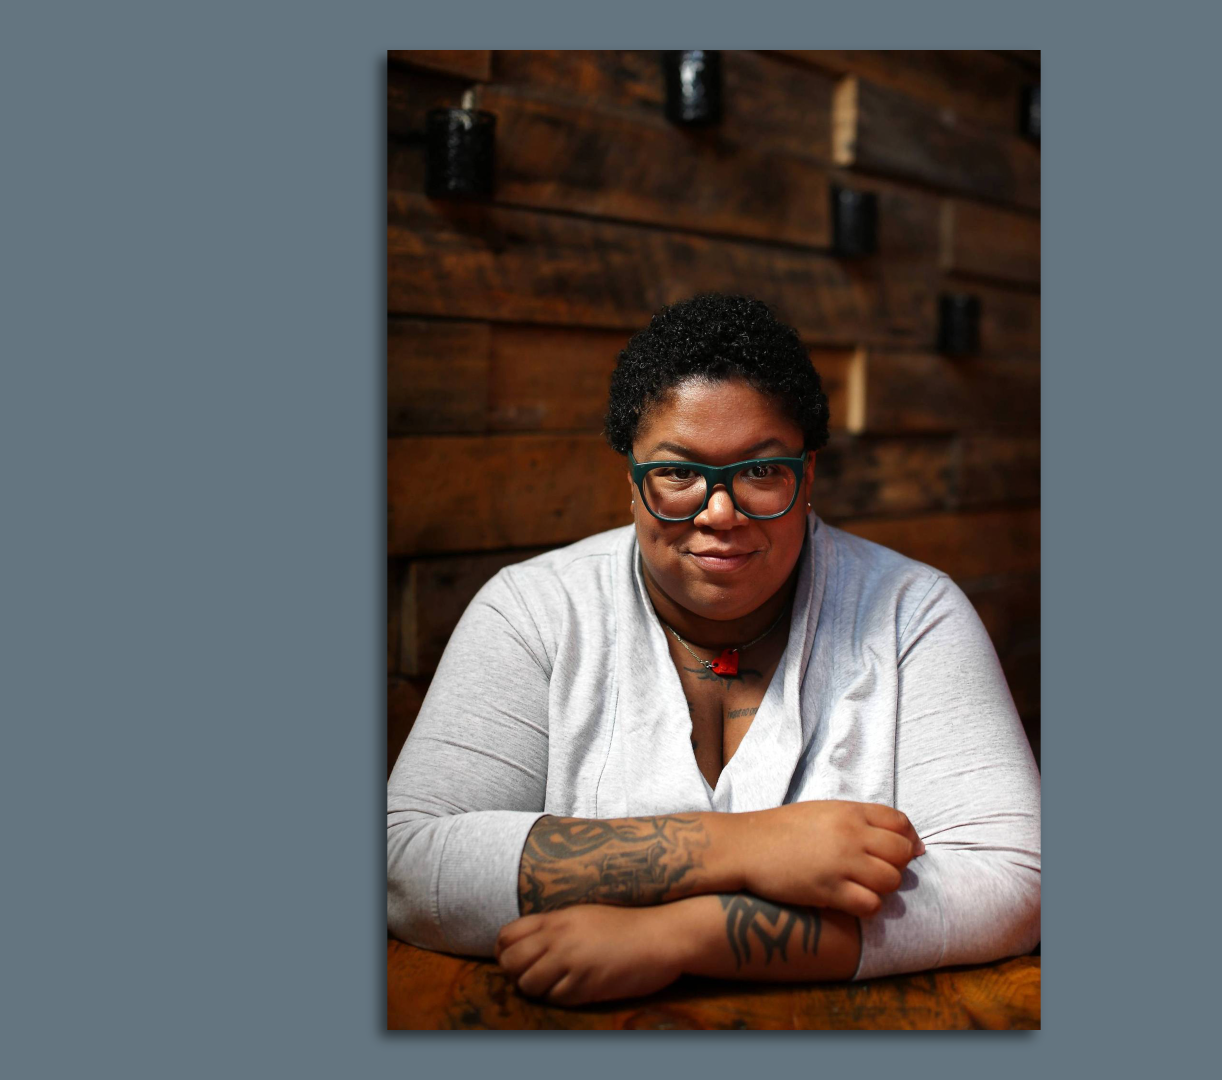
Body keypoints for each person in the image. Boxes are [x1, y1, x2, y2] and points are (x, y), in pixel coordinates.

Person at [386, 293, 1040, 1007]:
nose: (719, 512)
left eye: (761, 472)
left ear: (806, 476)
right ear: (631, 480)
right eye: (677, 474)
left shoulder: (912, 615)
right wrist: (741, 847)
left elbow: (1013, 881)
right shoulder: (535, 611)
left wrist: (679, 936)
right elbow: (405, 863)